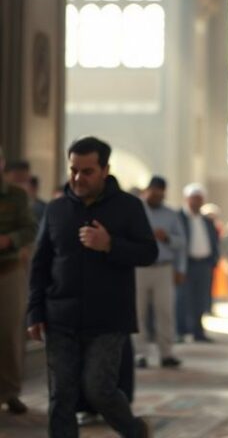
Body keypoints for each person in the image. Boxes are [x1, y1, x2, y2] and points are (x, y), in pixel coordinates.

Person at [26, 136, 157, 437]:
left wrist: (110, 245)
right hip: (60, 317)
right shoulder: (57, 209)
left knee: (99, 389)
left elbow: (149, 253)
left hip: (109, 319)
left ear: (104, 169)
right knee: (61, 396)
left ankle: (135, 431)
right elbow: (40, 264)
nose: (77, 178)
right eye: (73, 170)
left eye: (86, 171)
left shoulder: (129, 207)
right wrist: (34, 312)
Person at [0, 146, 38, 415]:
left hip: (8, 270)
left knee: (10, 333)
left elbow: (30, 228)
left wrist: (8, 240)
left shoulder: (16, 195)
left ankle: (10, 391)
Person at [134, 175, 186, 368]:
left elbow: (181, 243)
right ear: (146, 190)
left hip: (163, 268)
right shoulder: (135, 210)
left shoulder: (171, 215)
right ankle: (140, 354)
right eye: (153, 192)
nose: (156, 196)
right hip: (139, 268)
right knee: (138, 312)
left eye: (160, 193)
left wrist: (167, 238)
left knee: (165, 311)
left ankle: (167, 353)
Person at [177, 184, 219, 343]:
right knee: (182, 298)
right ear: (187, 199)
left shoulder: (207, 220)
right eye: (194, 199)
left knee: (201, 299)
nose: (197, 202)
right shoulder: (179, 217)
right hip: (186, 264)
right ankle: (180, 331)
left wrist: (213, 260)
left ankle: (198, 331)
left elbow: (214, 241)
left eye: (200, 199)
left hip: (204, 265)